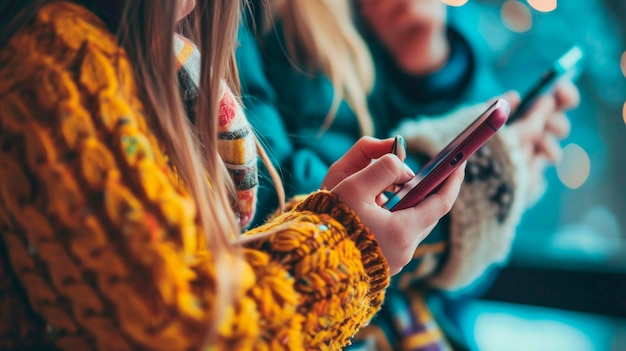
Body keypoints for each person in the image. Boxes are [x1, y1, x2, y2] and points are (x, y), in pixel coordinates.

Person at [0, 1, 467, 350]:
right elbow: (180, 326)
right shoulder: (58, 66)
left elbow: (202, 261)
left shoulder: (163, 57)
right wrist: (346, 244)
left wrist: (320, 217)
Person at [236, 0, 579, 349]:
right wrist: (477, 195)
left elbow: (462, 280)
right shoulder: (237, 18)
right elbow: (266, 211)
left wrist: (432, 69)